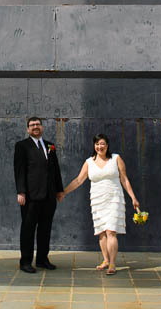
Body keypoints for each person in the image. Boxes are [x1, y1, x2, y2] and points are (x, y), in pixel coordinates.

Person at [58, 133, 139, 275]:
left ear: (107, 145)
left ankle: (112, 264)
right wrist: (64, 192)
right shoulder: (89, 162)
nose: (99, 146)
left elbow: (124, 179)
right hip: (97, 199)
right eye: (97, 144)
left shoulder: (116, 158)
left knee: (111, 231)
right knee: (101, 232)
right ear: (94, 146)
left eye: (102, 144)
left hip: (114, 198)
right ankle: (106, 260)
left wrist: (133, 197)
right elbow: (78, 180)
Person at [14, 116, 64, 273]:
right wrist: (21, 192)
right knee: (28, 230)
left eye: (38, 124)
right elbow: (19, 170)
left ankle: (42, 260)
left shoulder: (50, 146)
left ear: (42, 127)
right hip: (30, 197)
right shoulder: (22, 146)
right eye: (32, 125)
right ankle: (25, 262)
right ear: (28, 129)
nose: (35, 127)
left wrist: (59, 190)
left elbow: (55, 169)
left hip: (49, 197)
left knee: (45, 229)